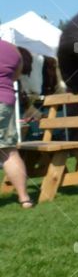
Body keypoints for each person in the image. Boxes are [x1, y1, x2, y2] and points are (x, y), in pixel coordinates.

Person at [0, 38, 32, 208]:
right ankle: (24, 198)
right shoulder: (13, 50)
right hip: (5, 101)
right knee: (9, 152)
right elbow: (15, 76)